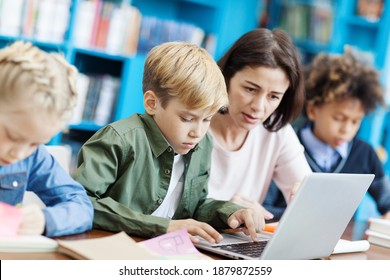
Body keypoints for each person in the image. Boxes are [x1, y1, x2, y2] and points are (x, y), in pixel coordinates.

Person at [73, 42, 263, 243]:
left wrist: (230, 213)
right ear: (152, 103)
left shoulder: (203, 143)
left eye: (207, 119)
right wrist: (163, 226)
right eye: (187, 119)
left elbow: (195, 206)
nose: (197, 132)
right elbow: (81, 201)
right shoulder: (119, 140)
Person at [263, 50, 390, 220]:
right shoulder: (286, 146)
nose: (346, 129)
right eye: (339, 118)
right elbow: (265, 210)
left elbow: (386, 202)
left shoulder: (364, 154)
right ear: (313, 110)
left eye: (355, 121)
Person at [207, 28, 312, 220]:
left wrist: (306, 201)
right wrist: (224, 210)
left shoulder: (276, 131)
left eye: (273, 96)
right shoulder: (192, 123)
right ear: (226, 77)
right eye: (250, 89)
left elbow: (312, 198)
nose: (258, 107)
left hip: (237, 242)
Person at [0, 41, 93, 237]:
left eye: (35, 143)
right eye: (12, 136)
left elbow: (80, 206)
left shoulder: (32, 157)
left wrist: (45, 219)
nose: (19, 153)